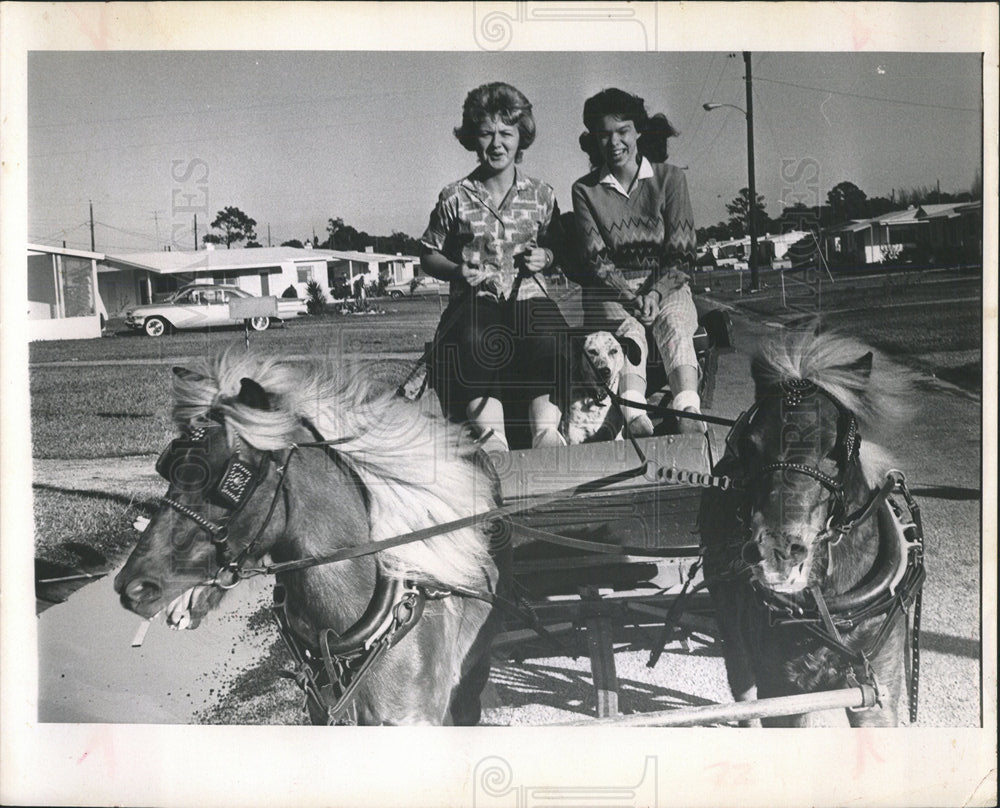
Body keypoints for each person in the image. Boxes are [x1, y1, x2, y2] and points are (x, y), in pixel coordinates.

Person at [420, 82, 568, 453]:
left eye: (506, 133)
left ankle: (546, 432)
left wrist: (546, 257)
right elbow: (427, 253)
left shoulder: (542, 194)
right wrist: (456, 271)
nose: (497, 143)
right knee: (473, 336)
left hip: (528, 296)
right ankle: (492, 437)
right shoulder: (455, 195)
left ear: (522, 138)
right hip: (477, 299)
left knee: (548, 334)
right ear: (473, 138)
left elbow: (562, 247)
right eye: (487, 133)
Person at [570, 88, 704, 434]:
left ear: (638, 132)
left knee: (674, 324)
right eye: (604, 134)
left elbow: (683, 253)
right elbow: (596, 261)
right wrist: (630, 298)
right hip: (611, 293)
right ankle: (636, 419)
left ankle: (688, 410)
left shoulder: (670, 178)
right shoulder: (585, 190)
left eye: (622, 131)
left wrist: (656, 294)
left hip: (667, 286)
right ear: (593, 139)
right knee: (628, 333)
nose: (614, 142)